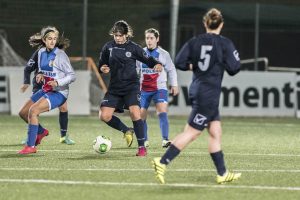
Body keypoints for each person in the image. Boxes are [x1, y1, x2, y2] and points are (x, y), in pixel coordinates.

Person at [152, 8, 241, 184]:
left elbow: (179, 61)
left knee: (215, 131)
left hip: (200, 89)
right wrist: (222, 61)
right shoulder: (225, 43)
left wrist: (194, 66)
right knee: (193, 132)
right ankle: (162, 161)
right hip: (208, 94)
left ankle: (222, 173)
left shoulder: (195, 41)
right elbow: (234, 68)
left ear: (204, 23)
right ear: (221, 24)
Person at [98, 20, 162, 156]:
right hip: (115, 88)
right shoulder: (108, 47)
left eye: (120, 35)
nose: (118, 38)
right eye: (116, 35)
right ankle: (126, 130)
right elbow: (102, 64)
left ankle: (141, 147)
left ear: (127, 35)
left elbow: (149, 59)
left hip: (131, 87)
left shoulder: (134, 48)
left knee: (135, 113)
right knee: (104, 115)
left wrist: (157, 64)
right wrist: (102, 68)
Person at [18, 26, 76, 154]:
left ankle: (31, 146)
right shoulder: (40, 53)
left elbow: (72, 76)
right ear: (44, 40)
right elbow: (46, 70)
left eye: (54, 39)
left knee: (33, 111)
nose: (52, 41)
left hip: (59, 92)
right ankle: (41, 131)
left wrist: (57, 82)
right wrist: (40, 75)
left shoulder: (60, 55)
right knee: (23, 112)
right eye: (50, 39)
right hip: (46, 89)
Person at [136, 28, 178, 148]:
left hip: (159, 88)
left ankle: (165, 139)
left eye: (151, 38)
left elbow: (171, 69)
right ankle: (144, 140)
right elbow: (135, 70)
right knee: (141, 114)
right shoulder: (140, 53)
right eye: (147, 38)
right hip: (143, 89)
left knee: (162, 112)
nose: (149, 41)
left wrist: (174, 84)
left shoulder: (164, 54)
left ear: (157, 39)